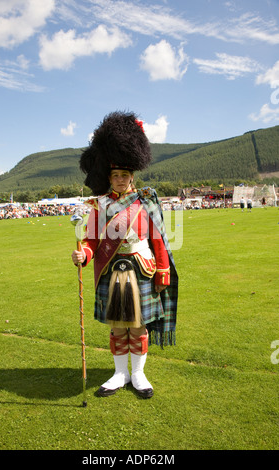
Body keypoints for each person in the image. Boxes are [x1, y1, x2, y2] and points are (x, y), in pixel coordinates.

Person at [71, 111, 178, 399]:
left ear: (132, 176)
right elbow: (92, 240)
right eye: (115, 175)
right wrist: (83, 253)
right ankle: (119, 373)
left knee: (138, 326)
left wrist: (163, 273)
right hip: (112, 271)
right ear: (109, 177)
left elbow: (159, 239)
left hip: (142, 269)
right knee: (118, 327)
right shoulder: (99, 205)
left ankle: (139, 374)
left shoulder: (145, 200)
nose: (119, 180)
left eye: (124, 175)